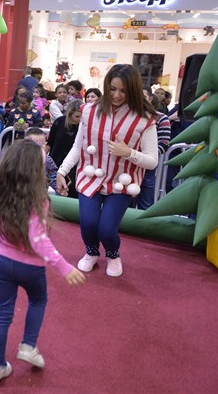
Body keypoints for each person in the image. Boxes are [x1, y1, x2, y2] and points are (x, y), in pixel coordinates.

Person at [0, 140, 86, 384]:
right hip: (31, 267)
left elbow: (0, 227)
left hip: (3, 261)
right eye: (42, 164)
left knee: (2, 312)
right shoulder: (39, 199)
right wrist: (63, 265)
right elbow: (38, 239)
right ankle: (28, 344)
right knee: (38, 300)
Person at [55, 64, 158, 278]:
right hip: (89, 177)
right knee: (89, 224)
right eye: (112, 89)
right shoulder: (89, 110)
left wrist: (129, 152)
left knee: (107, 229)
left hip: (122, 183)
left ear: (133, 90)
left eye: (123, 90)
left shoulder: (145, 118)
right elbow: (78, 147)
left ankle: (113, 254)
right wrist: (62, 172)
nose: (117, 95)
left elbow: (153, 161)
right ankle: (91, 252)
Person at [135, 88, 171, 210]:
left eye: (143, 97)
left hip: (148, 167)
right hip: (127, 164)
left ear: (150, 99)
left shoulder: (161, 118)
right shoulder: (127, 116)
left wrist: (148, 157)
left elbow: (164, 143)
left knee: (145, 202)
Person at [46, 100, 83, 199]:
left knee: (71, 194)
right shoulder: (59, 122)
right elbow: (50, 143)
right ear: (70, 114)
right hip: (55, 163)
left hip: (73, 167)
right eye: (77, 116)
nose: (80, 119)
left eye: (82, 117)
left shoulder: (83, 126)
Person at [25, 127, 57, 191]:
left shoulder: (48, 160)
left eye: (42, 145)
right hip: (20, 194)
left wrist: (59, 188)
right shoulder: (19, 158)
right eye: (34, 145)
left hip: (40, 195)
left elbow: (54, 177)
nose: (37, 148)